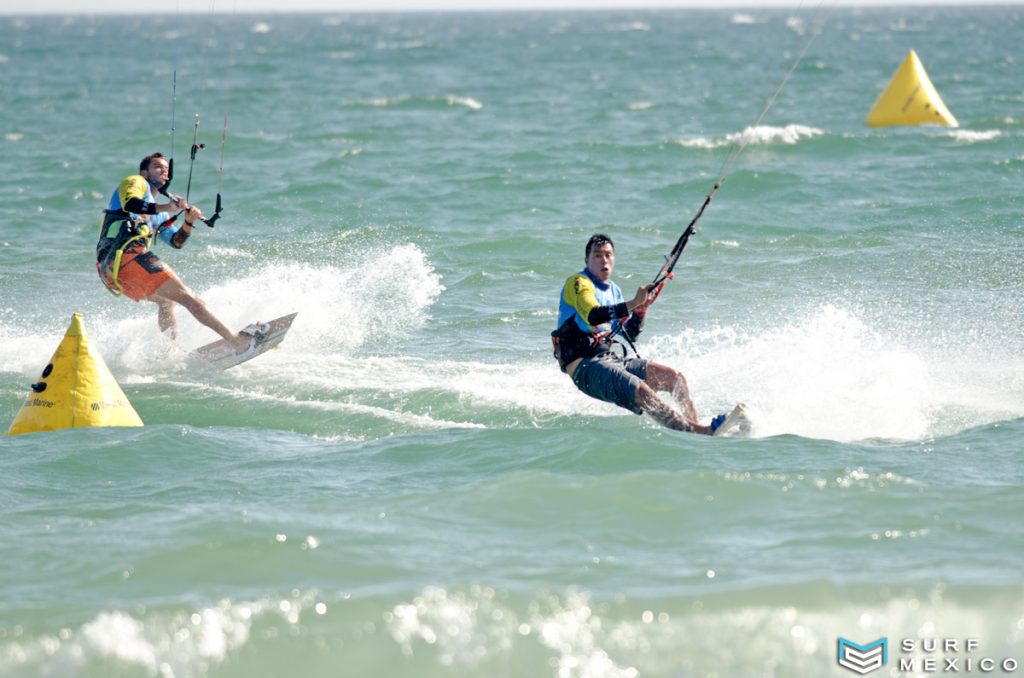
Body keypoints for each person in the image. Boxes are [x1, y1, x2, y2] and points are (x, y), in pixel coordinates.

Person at [551, 233, 725, 434]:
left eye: (608, 255)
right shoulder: (579, 283)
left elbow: (628, 335)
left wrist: (641, 310)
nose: (604, 260)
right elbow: (592, 315)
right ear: (587, 260)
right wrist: (634, 302)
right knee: (643, 392)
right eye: (598, 255)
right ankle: (701, 432)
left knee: (675, 379)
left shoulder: (613, 290)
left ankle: (696, 426)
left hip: (609, 359)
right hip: (584, 367)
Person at [96, 153, 255, 353]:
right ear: (144, 172)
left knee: (167, 301)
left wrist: (188, 222)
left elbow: (175, 242)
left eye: (166, 169)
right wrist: (168, 206)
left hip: (113, 272)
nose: (164, 171)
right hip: (125, 256)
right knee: (188, 298)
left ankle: (168, 353)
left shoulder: (159, 214)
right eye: (157, 167)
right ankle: (237, 341)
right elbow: (131, 204)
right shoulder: (136, 182)